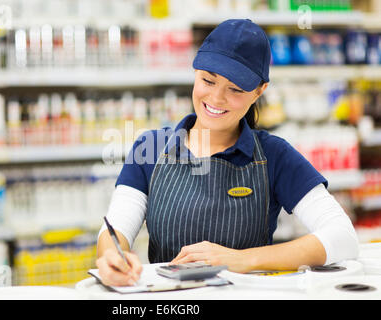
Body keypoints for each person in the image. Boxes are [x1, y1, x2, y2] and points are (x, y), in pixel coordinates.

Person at [95, 19, 359, 287]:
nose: (217, 98)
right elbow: (115, 230)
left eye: (235, 89)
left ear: (259, 91)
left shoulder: (274, 155)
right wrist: (112, 258)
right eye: (208, 81)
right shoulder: (150, 149)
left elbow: (343, 236)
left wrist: (242, 259)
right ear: (195, 72)